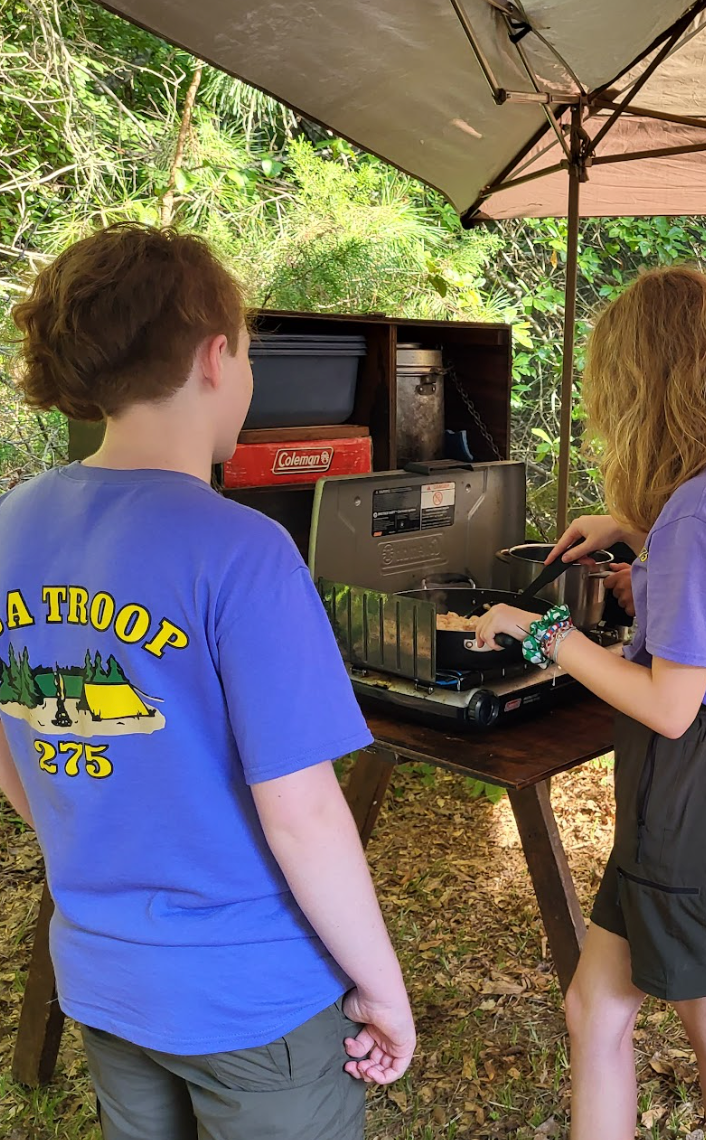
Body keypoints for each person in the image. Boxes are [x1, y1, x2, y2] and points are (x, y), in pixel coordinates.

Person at [0, 223, 415, 1140]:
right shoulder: (244, 551)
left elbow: (16, 741)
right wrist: (384, 987)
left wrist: (102, 831)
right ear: (216, 357)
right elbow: (303, 814)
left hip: (104, 980)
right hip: (253, 997)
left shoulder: (12, 523)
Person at [475, 266, 706, 1140]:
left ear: (643, 381)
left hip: (689, 779)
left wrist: (541, 633)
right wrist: (630, 526)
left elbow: (668, 704)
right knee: (597, 1010)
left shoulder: (700, 513)